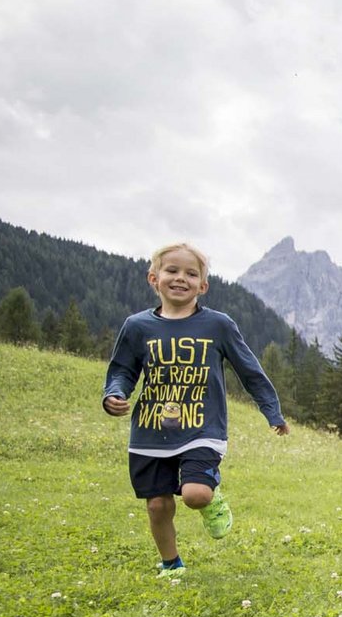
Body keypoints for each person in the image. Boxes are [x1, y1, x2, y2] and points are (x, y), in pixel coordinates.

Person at [102, 243, 289, 575]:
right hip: (150, 430)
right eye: (171, 271)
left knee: (196, 494)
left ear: (203, 286)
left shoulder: (218, 325)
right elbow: (122, 370)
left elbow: (250, 370)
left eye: (191, 274)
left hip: (203, 427)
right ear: (153, 278)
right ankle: (171, 564)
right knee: (158, 505)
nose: (180, 278)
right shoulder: (137, 326)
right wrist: (114, 392)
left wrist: (272, 411)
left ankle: (211, 496)